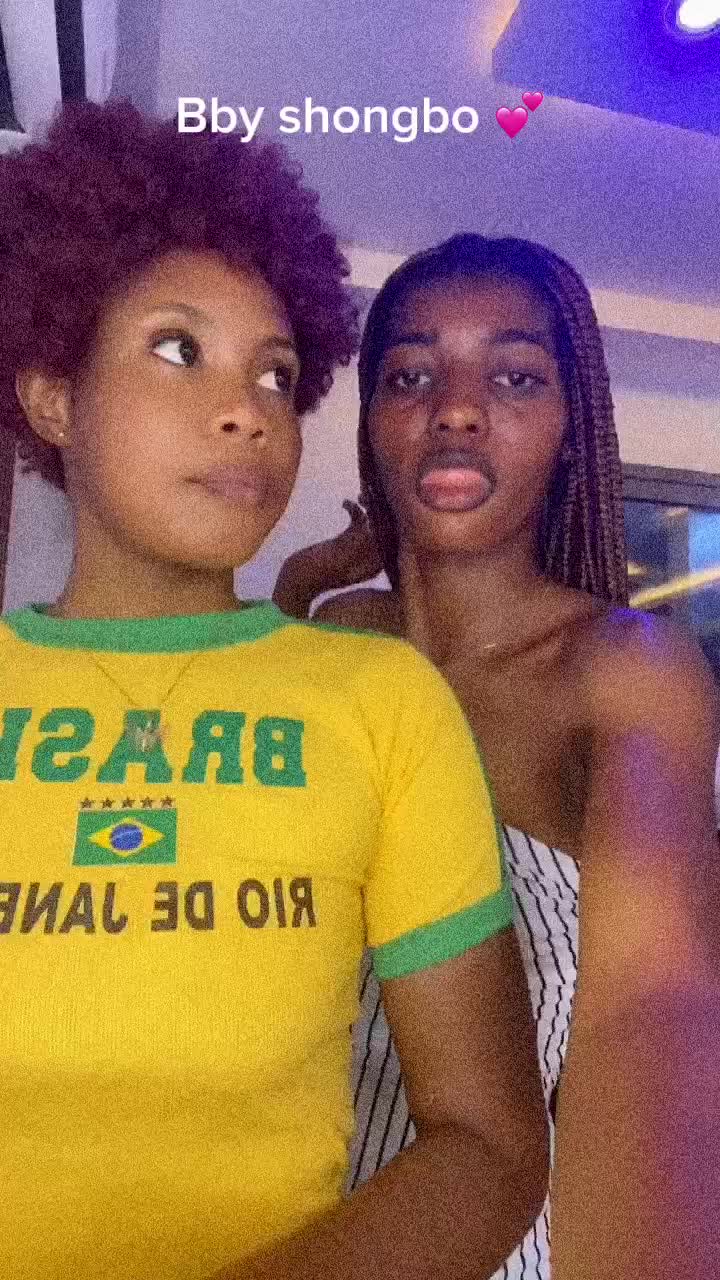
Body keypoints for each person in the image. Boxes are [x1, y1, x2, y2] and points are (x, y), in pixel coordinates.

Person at [0, 108, 548, 1280]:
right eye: (178, 348)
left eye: (276, 372)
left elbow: (491, 1144)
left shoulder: (380, 702)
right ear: (53, 396)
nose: (249, 406)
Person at [274, 233, 720, 1280]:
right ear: (374, 422)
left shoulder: (624, 669)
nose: (457, 409)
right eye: (410, 376)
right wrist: (312, 572)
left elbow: (649, 1025)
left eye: (515, 377)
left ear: (569, 431)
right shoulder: (340, 640)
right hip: (277, 1222)